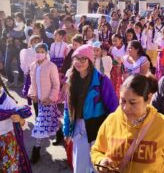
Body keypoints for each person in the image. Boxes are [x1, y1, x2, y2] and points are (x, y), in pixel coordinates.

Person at [91, 74, 164, 173]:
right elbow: (97, 150)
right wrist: (101, 161)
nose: (126, 107)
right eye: (123, 101)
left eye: (133, 102)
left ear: (148, 98)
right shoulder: (111, 121)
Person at [63, 44, 119, 173]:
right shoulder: (71, 79)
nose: (79, 62)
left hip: (98, 127)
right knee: (80, 168)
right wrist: (67, 130)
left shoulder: (102, 80)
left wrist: (113, 133)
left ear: (90, 60)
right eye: (76, 58)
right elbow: (67, 107)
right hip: (78, 128)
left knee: (97, 167)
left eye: (83, 59)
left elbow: (114, 108)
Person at [28, 43, 60, 164]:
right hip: (38, 101)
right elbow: (32, 83)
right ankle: (60, 133)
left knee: (41, 126)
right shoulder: (32, 66)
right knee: (51, 121)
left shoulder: (52, 66)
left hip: (48, 102)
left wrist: (51, 98)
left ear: (46, 53)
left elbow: (56, 85)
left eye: (42, 51)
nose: (39, 53)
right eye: (37, 51)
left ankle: (36, 150)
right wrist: (33, 94)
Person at [0, 76, 32, 173]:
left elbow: (24, 124)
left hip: (7, 142)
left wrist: (19, 119)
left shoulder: (7, 102)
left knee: (9, 169)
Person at [110, 34, 126, 98]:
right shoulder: (113, 49)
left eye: (116, 41)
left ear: (121, 40)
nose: (114, 42)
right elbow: (112, 60)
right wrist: (116, 62)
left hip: (124, 69)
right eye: (113, 41)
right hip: (116, 70)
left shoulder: (125, 47)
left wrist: (121, 61)